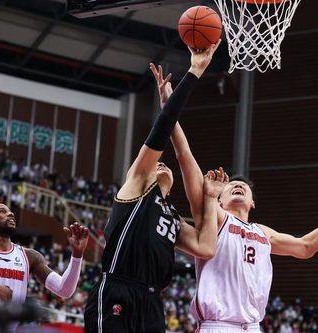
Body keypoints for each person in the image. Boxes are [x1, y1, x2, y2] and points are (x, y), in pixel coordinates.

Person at [150, 64, 318, 333]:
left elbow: (306, 248)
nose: (238, 186)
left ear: (253, 202)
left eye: (243, 187)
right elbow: (185, 158)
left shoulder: (263, 233)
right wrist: (169, 110)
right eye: (231, 185)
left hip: (254, 327)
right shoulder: (215, 216)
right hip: (218, 326)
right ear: (219, 199)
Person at [84, 40, 224, 333]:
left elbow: (205, 246)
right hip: (118, 289)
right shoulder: (136, 189)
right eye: (156, 165)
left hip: (152, 302)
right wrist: (194, 72)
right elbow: (160, 131)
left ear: (171, 188)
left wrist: (211, 199)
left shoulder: (172, 217)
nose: (161, 165)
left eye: (165, 165)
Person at [0, 203, 90, 330]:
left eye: (10, 212)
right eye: (2, 211)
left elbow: (64, 290)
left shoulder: (30, 256)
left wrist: (77, 255)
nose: (10, 214)